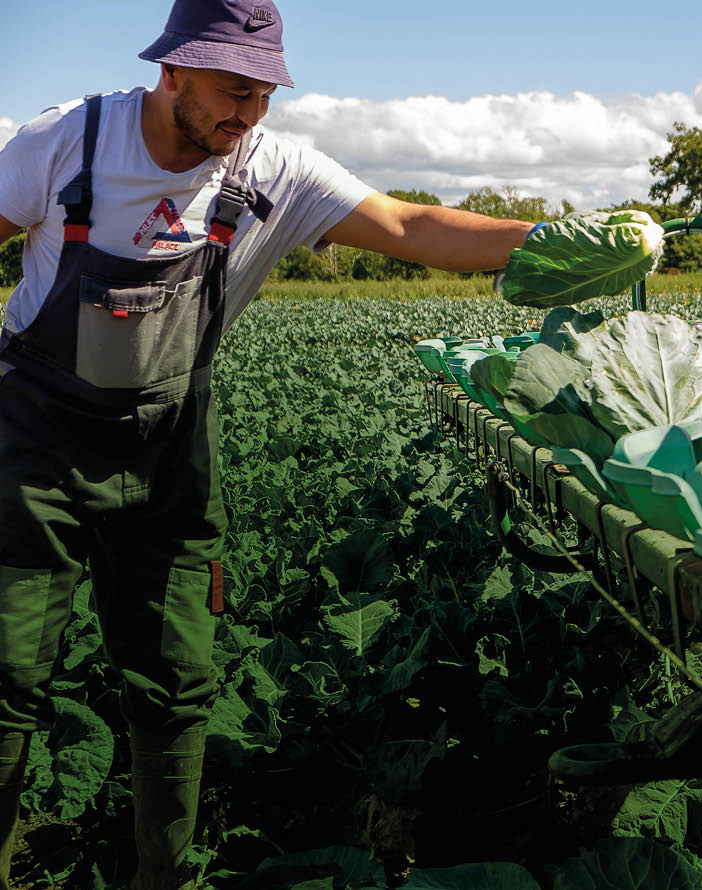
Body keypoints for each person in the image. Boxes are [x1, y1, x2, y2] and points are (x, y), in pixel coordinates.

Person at [0, 1, 539, 886]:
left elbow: (408, 227)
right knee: (7, 678)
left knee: (176, 684)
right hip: (33, 438)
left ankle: (161, 880)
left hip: (168, 443)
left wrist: (554, 242)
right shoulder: (68, 140)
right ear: (171, 71)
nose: (247, 115)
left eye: (263, 97)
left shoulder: (274, 169)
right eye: (232, 92)